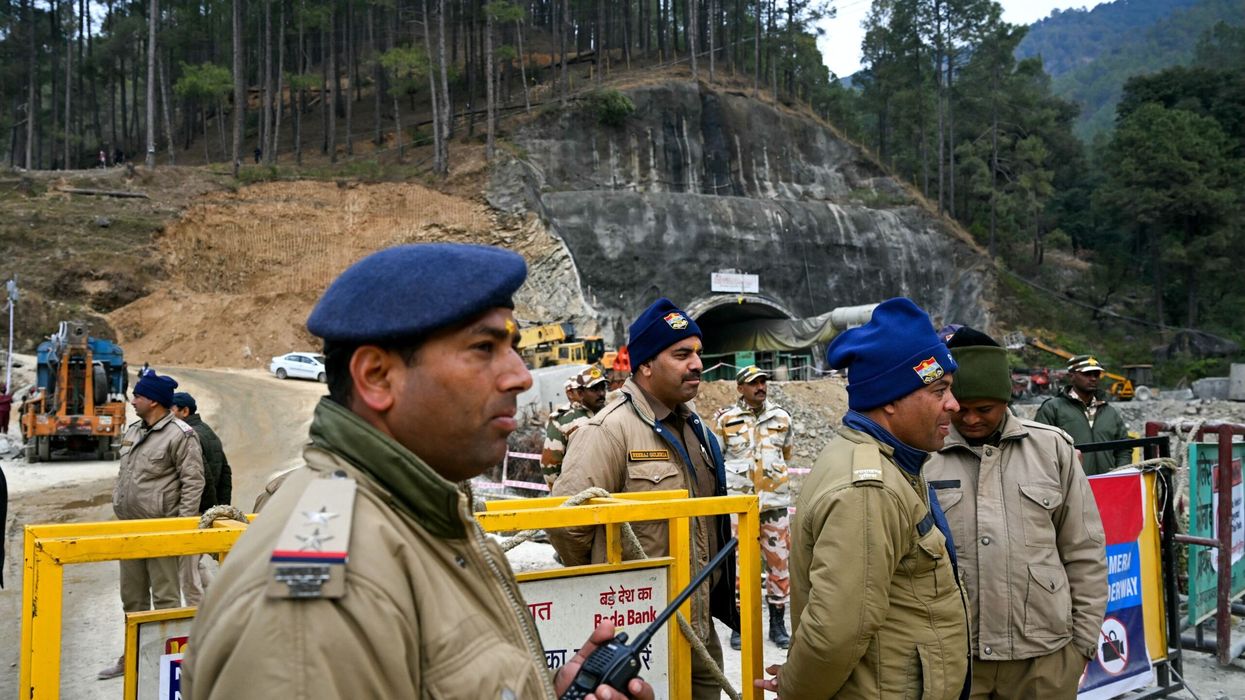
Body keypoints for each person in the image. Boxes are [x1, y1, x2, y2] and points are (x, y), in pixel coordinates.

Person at [184, 243, 653, 700]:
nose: (521, 376)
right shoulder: (318, 611)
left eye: (513, 347)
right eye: (484, 347)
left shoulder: (422, 512)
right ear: (376, 377)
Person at [759, 297, 970, 699]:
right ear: (890, 399)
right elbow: (837, 630)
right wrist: (794, 689)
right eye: (939, 390)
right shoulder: (868, 489)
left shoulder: (894, 463)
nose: (954, 405)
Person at [550, 298, 737, 700]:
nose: (697, 365)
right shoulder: (607, 431)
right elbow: (567, 528)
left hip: (699, 632)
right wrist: (612, 592)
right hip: (637, 641)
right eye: (681, 354)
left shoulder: (695, 429)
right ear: (646, 365)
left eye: (699, 354)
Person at [926, 327, 1107, 698]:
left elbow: (1084, 551)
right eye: (963, 408)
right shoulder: (924, 456)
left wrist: (1082, 645)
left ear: (1006, 400)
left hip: (1044, 661)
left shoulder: (1051, 449)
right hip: (956, 661)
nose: (972, 419)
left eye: (985, 409)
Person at [98, 373, 205, 680]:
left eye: (138, 396)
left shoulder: (181, 435)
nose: (132, 401)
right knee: (132, 598)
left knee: (166, 599)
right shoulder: (133, 430)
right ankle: (132, 656)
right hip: (130, 530)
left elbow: (193, 483)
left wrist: (182, 532)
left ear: (154, 400)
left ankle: (166, 664)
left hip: (163, 532)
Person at [713, 365, 793, 651]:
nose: (760, 387)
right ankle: (740, 624)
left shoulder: (782, 417)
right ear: (740, 388)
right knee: (738, 567)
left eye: (763, 381)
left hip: (774, 506)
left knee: (779, 564)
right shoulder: (726, 420)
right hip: (740, 508)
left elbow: (786, 453)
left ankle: (777, 624)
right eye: (753, 383)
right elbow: (717, 460)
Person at [171, 391, 233, 606]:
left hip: (196, 511)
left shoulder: (191, 435)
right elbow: (226, 472)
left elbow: (203, 479)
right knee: (194, 565)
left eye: (172, 410)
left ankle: (198, 618)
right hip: (206, 509)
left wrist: (208, 512)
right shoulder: (207, 432)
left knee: (188, 572)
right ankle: (215, 603)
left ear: (184, 411)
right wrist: (220, 509)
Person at [1034, 354, 1131, 475]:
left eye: (1096, 374)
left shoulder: (1110, 412)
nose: (1093, 378)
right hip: (1071, 487)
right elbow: (1039, 449)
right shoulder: (1053, 408)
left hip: (1108, 485)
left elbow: (1124, 448)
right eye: (1087, 374)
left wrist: (1121, 473)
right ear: (1071, 376)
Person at [540, 364, 609, 488]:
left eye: (603, 388)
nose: (601, 394)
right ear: (581, 393)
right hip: (580, 493)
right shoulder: (563, 421)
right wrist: (562, 495)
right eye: (594, 389)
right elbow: (550, 466)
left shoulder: (613, 413)